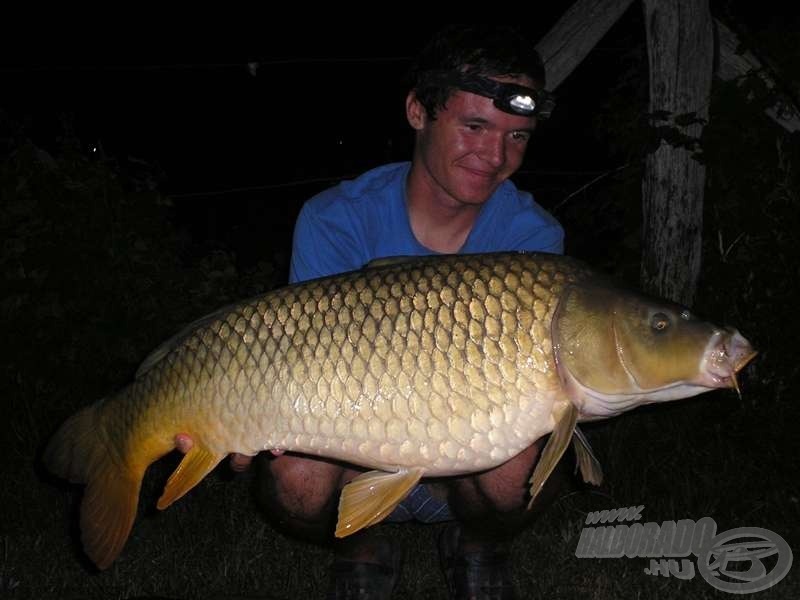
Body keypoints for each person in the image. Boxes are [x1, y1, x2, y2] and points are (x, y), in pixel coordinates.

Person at [233, 24, 563, 600]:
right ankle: (362, 546)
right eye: (475, 126)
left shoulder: (532, 237)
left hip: (469, 462)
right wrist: (243, 422)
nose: (496, 156)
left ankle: (476, 540)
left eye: (518, 137)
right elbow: (292, 361)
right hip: (359, 457)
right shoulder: (335, 220)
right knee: (295, 478)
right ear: (418, 111)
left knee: (523, 469)